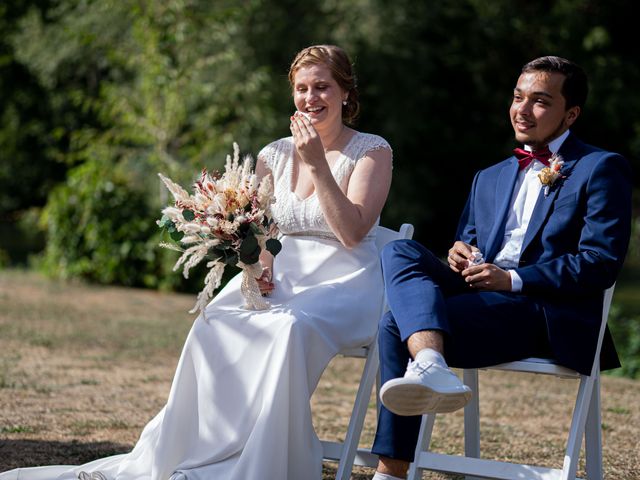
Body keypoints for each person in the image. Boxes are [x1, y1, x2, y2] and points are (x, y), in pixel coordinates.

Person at [0, 45, 393, 480]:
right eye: (301, 89)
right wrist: (258, 265)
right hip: (283, 273)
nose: (310, 98)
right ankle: (205, 452)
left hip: (346, 281)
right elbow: (260, 231)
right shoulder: (274, 154)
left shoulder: (372, 151)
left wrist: (318, 164)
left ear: (345, 93)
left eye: (322, 87)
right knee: (213, 320)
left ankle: (261, 459)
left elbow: (353, 232)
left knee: (288, 328)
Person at [369, 56, 632, 480]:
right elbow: (468, 242)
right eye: (517, 96)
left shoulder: (601, 168)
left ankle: (390, 472)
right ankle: (431, 362)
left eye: (540, 101)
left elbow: (600, 263)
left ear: (571, 113)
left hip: (543, 311)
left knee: (392, 326)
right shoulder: (488, 177)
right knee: (400, 252)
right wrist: (459, 256)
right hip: (480, 299)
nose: (522, 110)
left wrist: (511, 279)